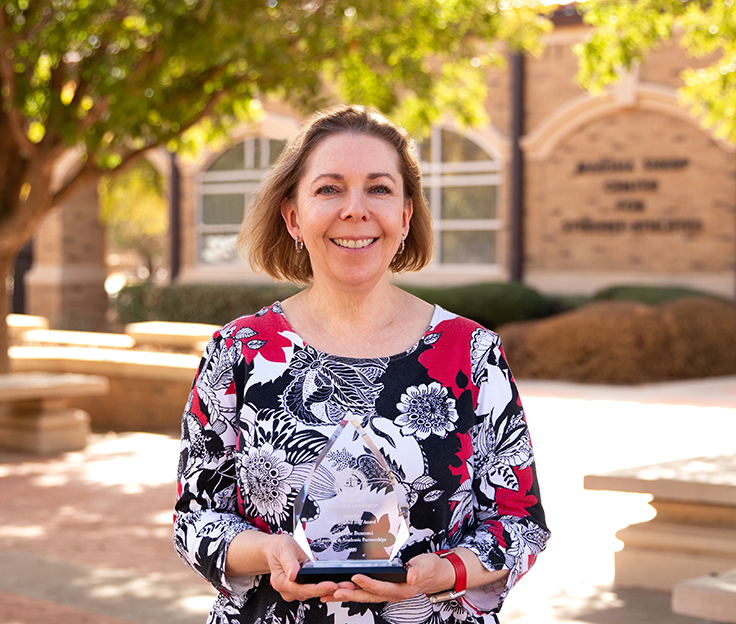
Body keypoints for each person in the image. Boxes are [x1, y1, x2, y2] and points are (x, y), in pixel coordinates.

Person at [174, 105, 549, 624]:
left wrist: (445, 572)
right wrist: (268, 552)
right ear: (293, 216)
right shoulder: (240, 350)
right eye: (329, 189)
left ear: (405, 215)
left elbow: (519, 522)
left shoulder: (471, 352)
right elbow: (197, 519)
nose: (355, 209)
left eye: (378, 188)